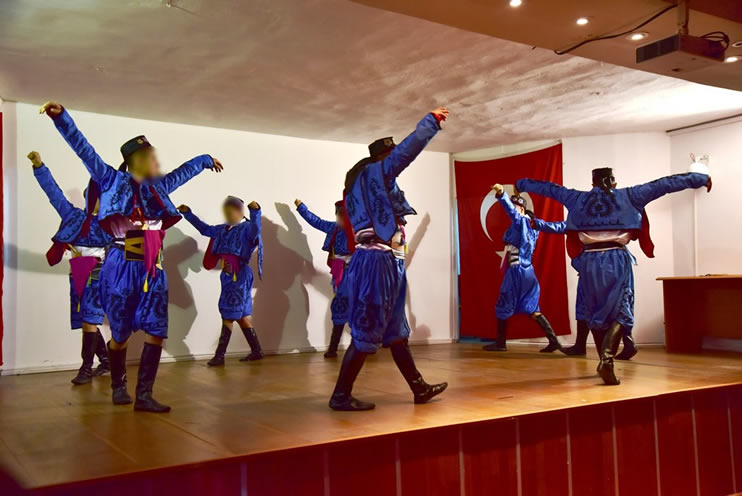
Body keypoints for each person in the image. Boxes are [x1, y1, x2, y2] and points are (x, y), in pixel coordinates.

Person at [41, 101, 224, 412]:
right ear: (134, 161)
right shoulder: (110, 180)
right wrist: (62, 118)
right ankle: (118, 386)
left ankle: (145, 395)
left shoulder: (159, 187)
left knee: (156, 330)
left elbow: (183, 173)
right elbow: (84, 149)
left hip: (153, 266)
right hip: (121, 264)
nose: (156, 162)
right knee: (121, 333)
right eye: (150, 157)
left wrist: (205, 160)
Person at [516, 167, 712, 385]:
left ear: (592, 184)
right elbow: (664, 184)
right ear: (614, 182)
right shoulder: (630, 195)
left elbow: (549, 189)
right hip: (615, 259)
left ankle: (605, 361)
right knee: (622, 311)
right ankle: (606, 361)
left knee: (595, 314)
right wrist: (699, 178)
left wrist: (521, 183)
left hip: (588, 261)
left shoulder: (576, 198)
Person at [329, 107, 450, 411]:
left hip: (384, 260)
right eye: (390, 153)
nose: (394, 157)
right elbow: (406, 153)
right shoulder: (377, 173)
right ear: (382, 156)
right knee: (367, 330)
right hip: (376, 262)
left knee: (396, 333)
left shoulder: (355, 189)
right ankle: (340, 395)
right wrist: (430, 122)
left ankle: (419, 388)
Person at [28, 151, 111, 385]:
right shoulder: (73, 216)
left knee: (89, 318)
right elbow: (53, 193)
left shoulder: (109, 223)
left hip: (98, 273)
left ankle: (86, 368)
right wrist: (39, 167)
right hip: (77, 272)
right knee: (86, 318)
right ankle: (105, 361)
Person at [177, 197, 264, 366]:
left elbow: (256, 230)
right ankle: (257, 351)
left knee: (228, 314)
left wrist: (255, 212)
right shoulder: (222, 230)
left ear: (240, 212)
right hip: (227, 276)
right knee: (240, 316)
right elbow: (204, 229)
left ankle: (220, 355)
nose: (229, 214)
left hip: (239, 275)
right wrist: (188, 214)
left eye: (232, 211)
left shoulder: (247, 228)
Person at [482, 185, 567, 353]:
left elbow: (511, 212)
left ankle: (500, 343)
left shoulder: (520, 221)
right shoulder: (533, 227)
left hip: (516, 269)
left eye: (516, 206)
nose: (513, 209)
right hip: (528, 270)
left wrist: (502, 194)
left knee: (504, 303)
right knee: (532, 308)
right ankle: (553, 340)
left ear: (521, 209)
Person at [294, 199, 352, 358]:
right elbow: (316, 221)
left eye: (344, 214)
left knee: (357, 309)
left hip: (356, 273)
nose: (341, 217)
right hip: (339, 273)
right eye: (339, 214)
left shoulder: (358, 231)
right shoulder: (334, 228)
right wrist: (301, 208)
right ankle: (333, 348)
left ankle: (362, 345)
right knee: (339, 308)